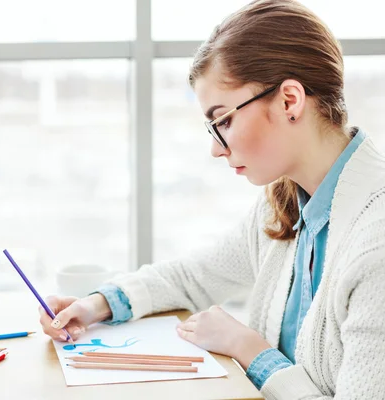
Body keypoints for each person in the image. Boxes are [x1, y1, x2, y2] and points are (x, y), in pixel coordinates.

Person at [38, 0, 385, 398]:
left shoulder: (376, 241)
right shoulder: (288, 199)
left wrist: (250, 350)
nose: (216, 150)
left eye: (223, 121)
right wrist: (95, 305)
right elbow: (194, 277)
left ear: (290, 100)